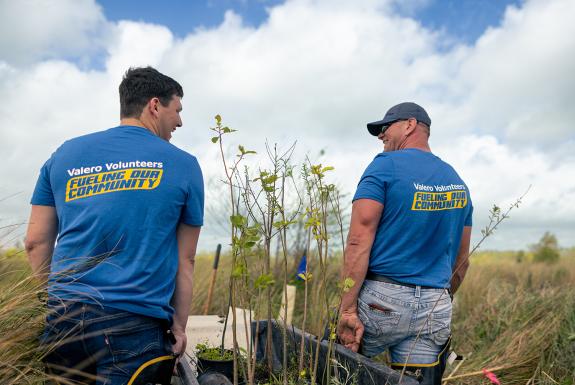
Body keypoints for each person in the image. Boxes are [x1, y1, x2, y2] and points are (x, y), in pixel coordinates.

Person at [25, 66, 204, 384]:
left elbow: (35, 242)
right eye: (176, 110)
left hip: (64, 318)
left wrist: (52, 304)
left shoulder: (63, 155)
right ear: (154, 105)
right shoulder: (184, 165)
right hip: (134, 324)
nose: (179, 121)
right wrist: (178, 327)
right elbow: (185, 259)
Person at [337, 102, 472, 382]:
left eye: (386, 127)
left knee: (339, 370)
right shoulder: (457, 181)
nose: (381, 135)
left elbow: (358, 241)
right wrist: (438, 298)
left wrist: (348, 309)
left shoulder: (384, 167)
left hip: (381, 302)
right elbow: (461, 261)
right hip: (435, 306)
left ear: (410, 125)